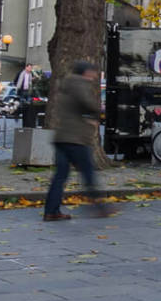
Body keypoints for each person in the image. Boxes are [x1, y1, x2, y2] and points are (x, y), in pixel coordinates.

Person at [43, 60, 113, 221]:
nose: (95, 75)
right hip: (76, 138)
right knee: (88, 173)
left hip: (61, 136)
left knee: (60, 176)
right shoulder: (80, 84)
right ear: (86, 72)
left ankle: (51, 210)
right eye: (94, 72)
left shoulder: (65, 85)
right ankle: (100, 207)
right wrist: (98, 113)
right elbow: (87, 104)